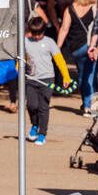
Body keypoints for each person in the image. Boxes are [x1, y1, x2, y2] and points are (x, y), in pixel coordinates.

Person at [24, 15, 70, 144]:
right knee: (32, 105)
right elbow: (21, 59)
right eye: (34, 33)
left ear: (43, 31)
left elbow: (59, 60)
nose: (36, 36)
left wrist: (66, 76)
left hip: (47, 79)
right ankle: (34, 125)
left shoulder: (50, 42)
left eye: (39, 33)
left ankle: (42, 133)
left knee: (43, 107)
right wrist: (17, 71)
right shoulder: (25, 42)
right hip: (31, 79)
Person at [56, 0, 98, 115]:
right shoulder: (95, 6)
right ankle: (88, 105)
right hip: (92, 45)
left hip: (76, 48)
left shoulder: (70, 8)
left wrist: (57, 48)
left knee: (82, 75)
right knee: (91, 75)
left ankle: (86, 102)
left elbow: (64, 29)